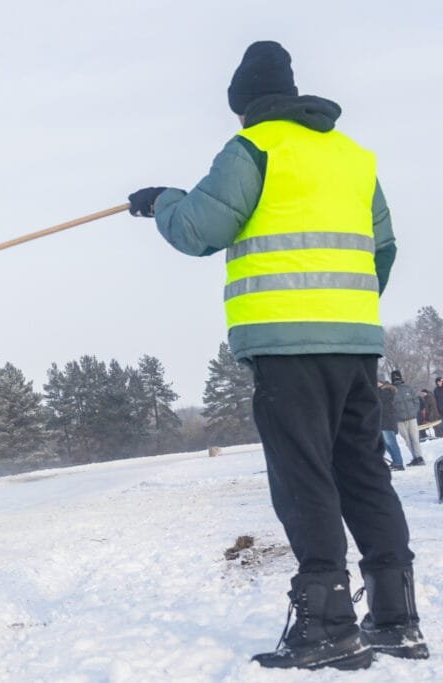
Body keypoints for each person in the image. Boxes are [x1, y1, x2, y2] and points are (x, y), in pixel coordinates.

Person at [128, 41, 427, 669]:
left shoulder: (252, 147)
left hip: (287, 350)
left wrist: (161, 202)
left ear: (244, 106)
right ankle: (397, 619)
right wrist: (346, 311)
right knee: (364, 472)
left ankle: (329, 626)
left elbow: (197, 230)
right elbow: (385, 247)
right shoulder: (352, 156)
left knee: (304, 477)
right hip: (354, 345)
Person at [390, 370, 424, 465]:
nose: (396, 379)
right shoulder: (391, 391)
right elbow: (390, 406)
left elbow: (416, 401)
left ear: (400, 377)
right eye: (394, 377)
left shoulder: (408, 388)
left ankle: (419, 457)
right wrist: (396, 416)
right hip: (400, 421)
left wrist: (414, 411)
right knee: (407, 440)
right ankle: (414, 457)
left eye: (397, 377)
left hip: (412, 418)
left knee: (415, 438)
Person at [378, 381, 404, 471]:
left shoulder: (387, 391)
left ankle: (399, 463)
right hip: (382, 422)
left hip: (387, 422)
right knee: (386, 444)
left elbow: (380, 400)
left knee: (391, 443)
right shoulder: (381, 391)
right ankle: (395, 461)